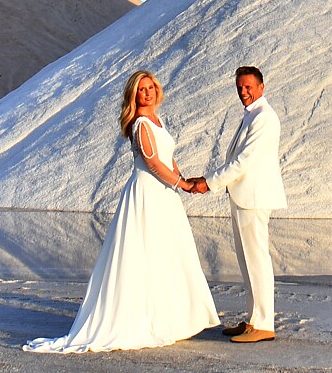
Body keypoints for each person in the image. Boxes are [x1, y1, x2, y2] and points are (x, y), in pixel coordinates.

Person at [23, 70, 218, 353]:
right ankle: (140, 318)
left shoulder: (158, 121)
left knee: (168, 252)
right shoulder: (140, 124)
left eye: (150, 87)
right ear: (133, 95)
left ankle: (170, 318)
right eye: (141, 89)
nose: (147, 93)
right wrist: (183, 184)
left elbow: (168, 158)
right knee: (142, 252)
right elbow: (152, 162)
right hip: (147, 193)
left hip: (165, 194)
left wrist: (184, 180)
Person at [187, 65, 286, 343]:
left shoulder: (264, 118)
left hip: (253, 198)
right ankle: (255, 320)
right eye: (240, 87)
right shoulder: (252, 115)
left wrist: (209, 182)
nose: (243, 92)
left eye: (248, 87)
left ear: (261, 87)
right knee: (248, 261)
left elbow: (243, 162)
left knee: (257, 260)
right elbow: (236, 159)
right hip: (244, 197)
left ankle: (264, 323)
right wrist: (206, 178)